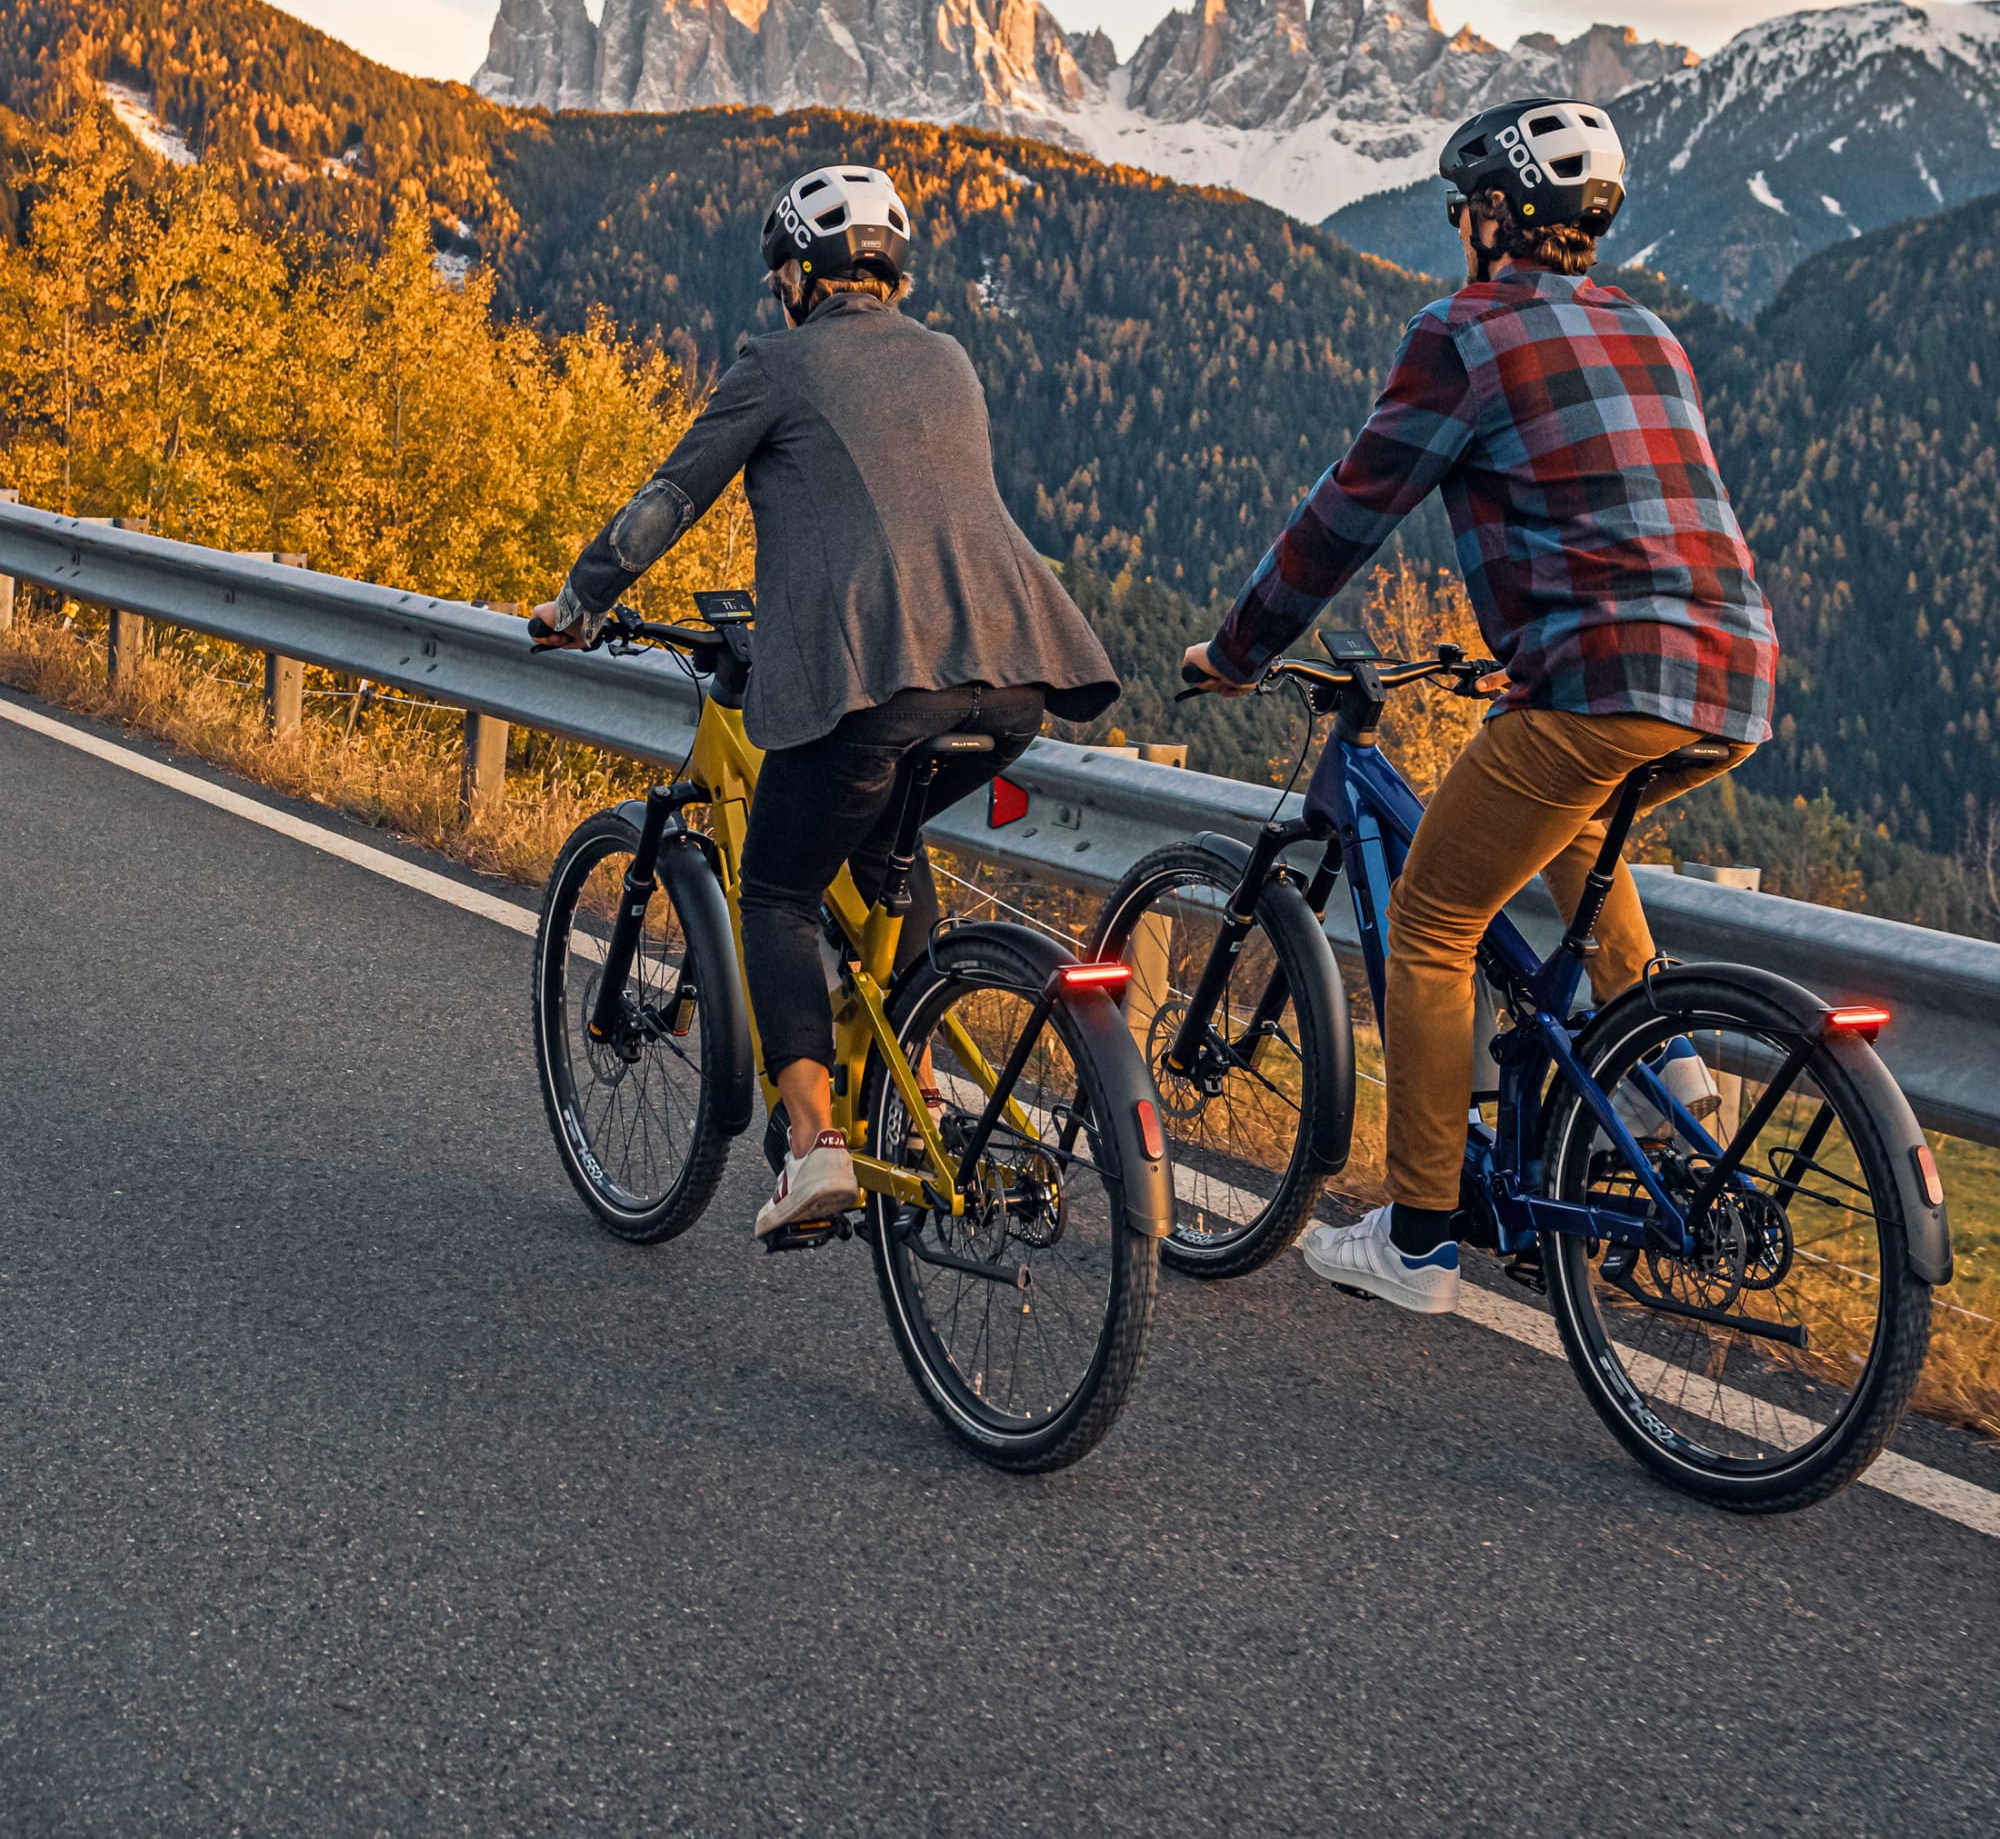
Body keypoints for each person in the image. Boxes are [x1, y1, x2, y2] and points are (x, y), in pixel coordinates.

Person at [1182, 99, 1778, 1314]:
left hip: (1601, 677)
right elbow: (1622, 516)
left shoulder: (1464, 332)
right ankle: (1663, 1072)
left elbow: (1345, 514)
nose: (1461, 227)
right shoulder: (1649, 330)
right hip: (1731, 678)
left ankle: (1414, 1238)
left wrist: (1239, 649)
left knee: (1433, 923)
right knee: (1568, 831)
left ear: (1495, 215)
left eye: (1466, 208)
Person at [534, 164, 1119, 1239]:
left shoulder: (778, 365)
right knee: (886, 857)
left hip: (878, 680)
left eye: (779, 277)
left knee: (777, 894)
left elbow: (670, 496)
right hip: (1012, 676)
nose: (777, 295)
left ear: (802, 275)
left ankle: (812, 1151)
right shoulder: (948, 359)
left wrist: (579, 599)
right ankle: (924, 1083)